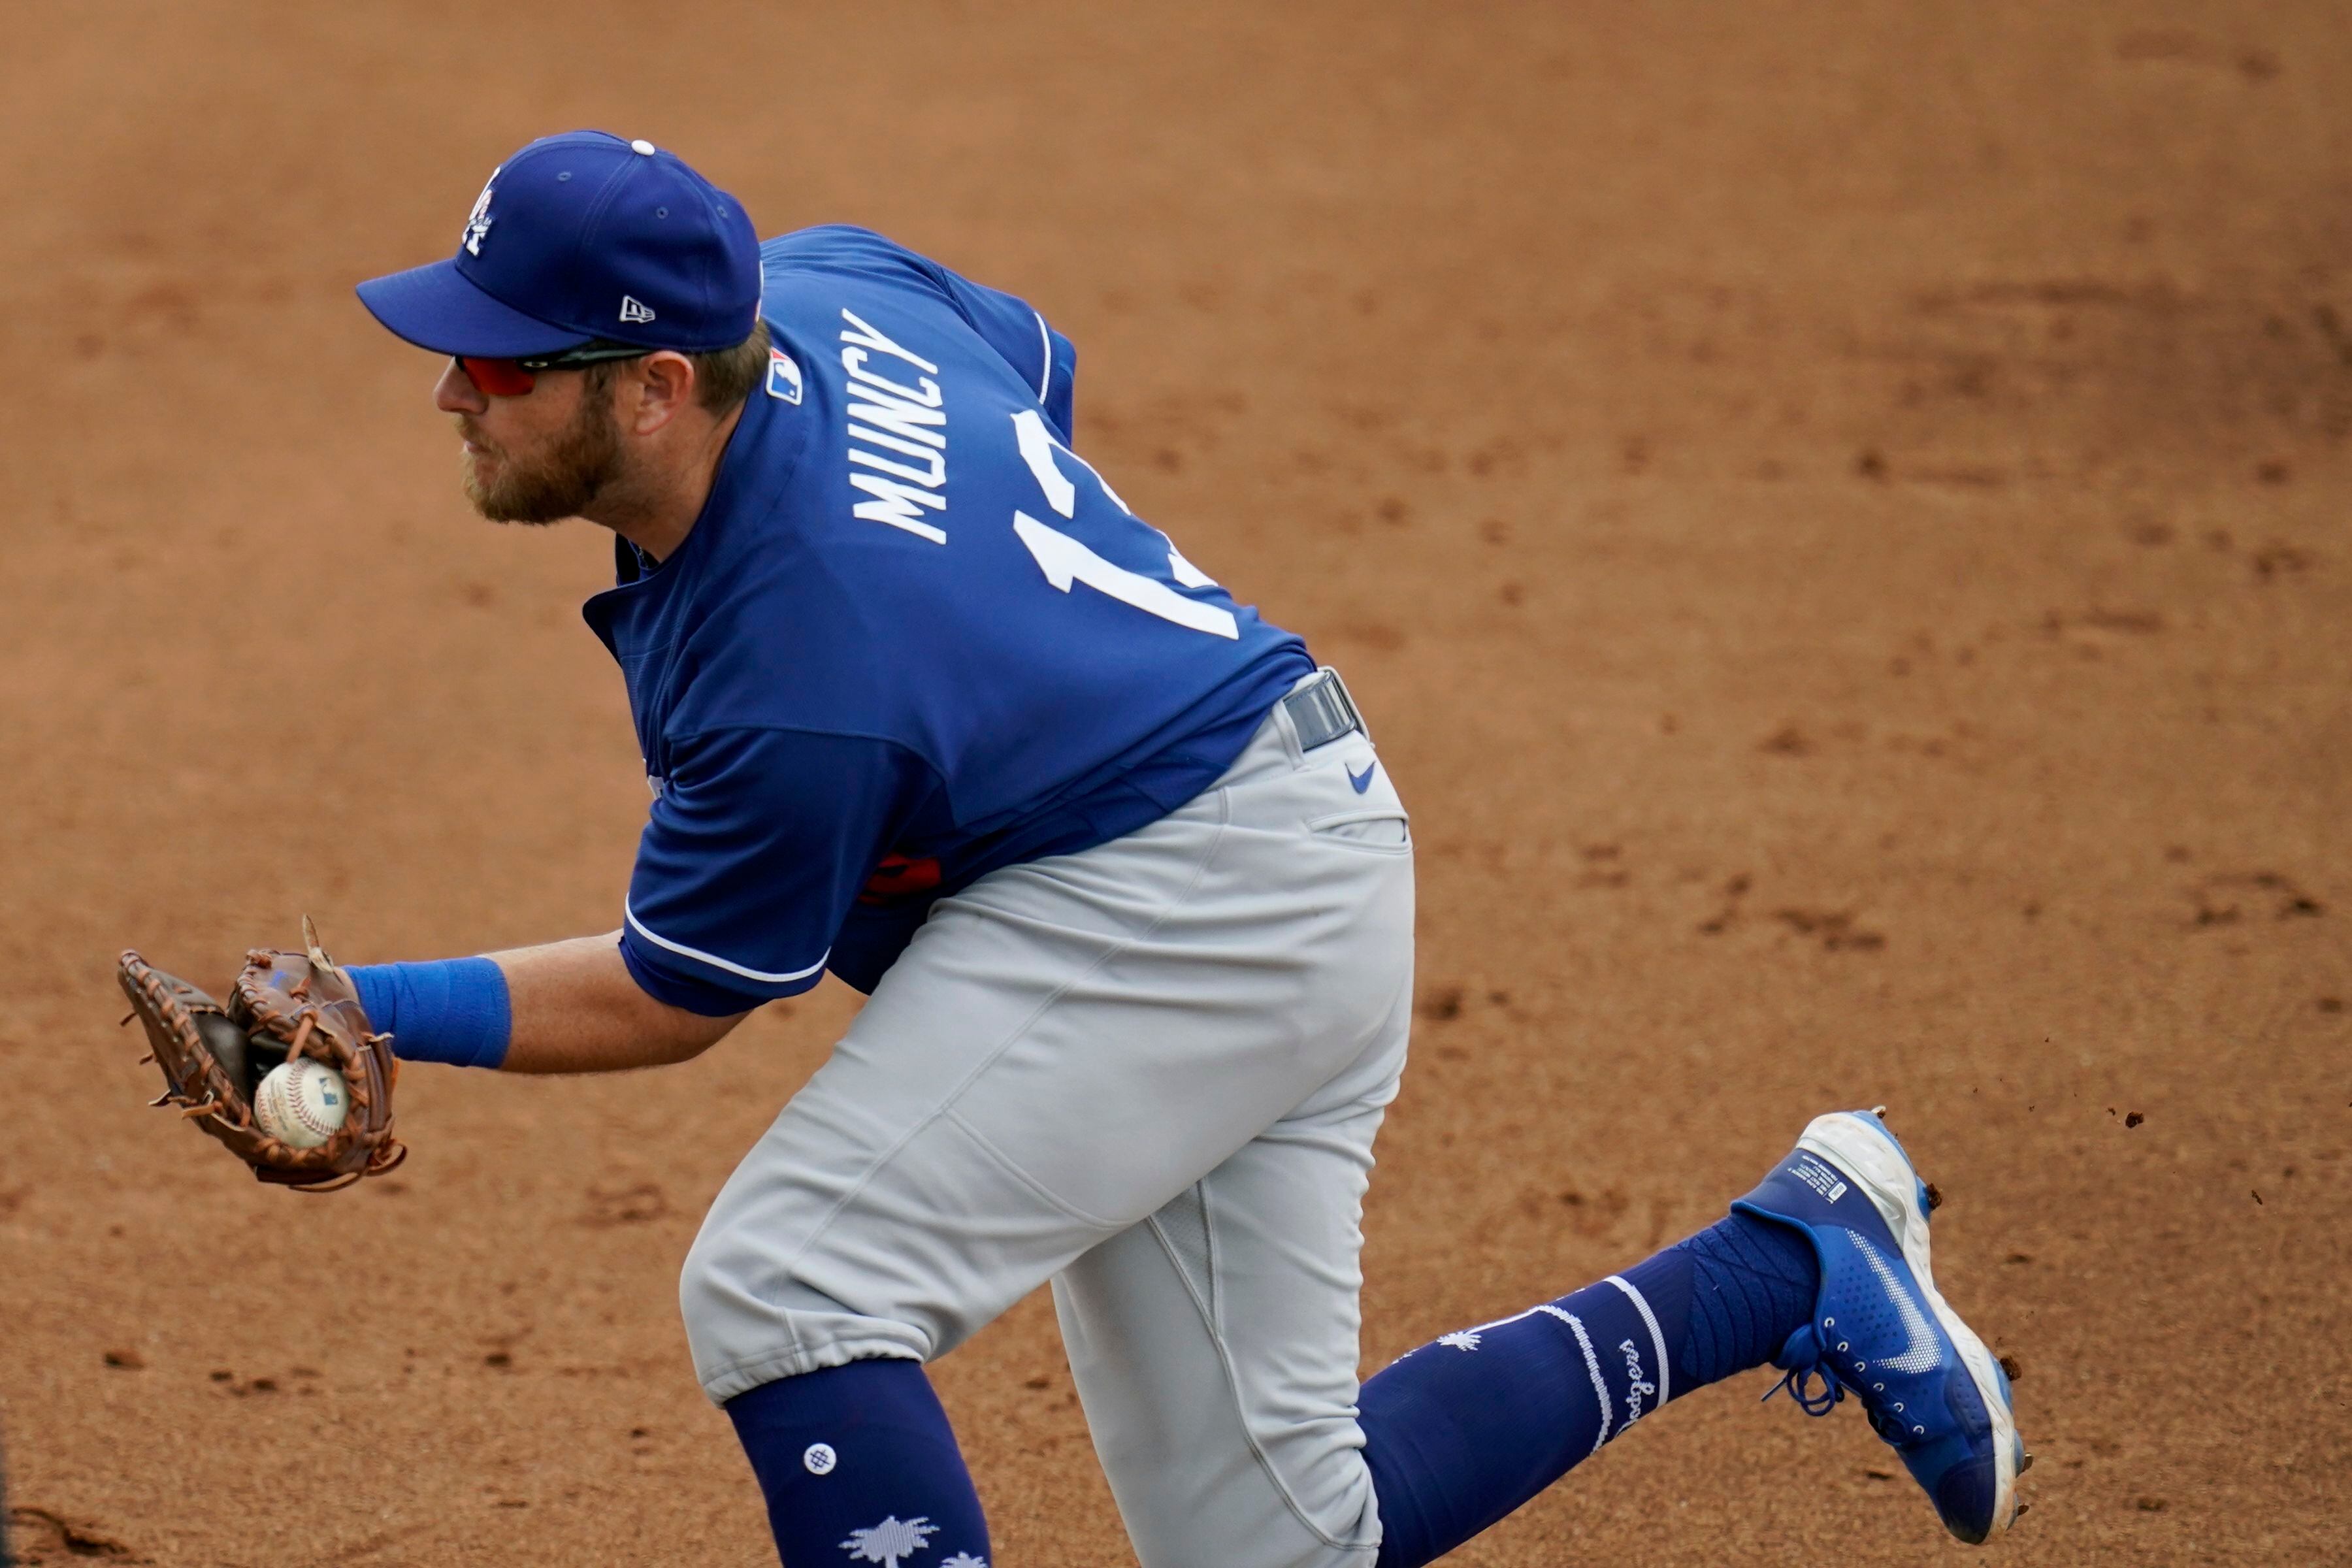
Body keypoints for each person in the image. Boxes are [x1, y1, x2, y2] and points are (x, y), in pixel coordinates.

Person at [348, 130, 2026, 1566]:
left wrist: (378, 1009)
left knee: (793, 1289)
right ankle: (1787, 1260)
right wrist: (1008, 659)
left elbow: (676, 994)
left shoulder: (805, 678)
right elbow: (1032, 366)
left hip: (1181, 892)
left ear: (653, 389)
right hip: (1259, 828)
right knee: (1280, 1546)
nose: (451, 390)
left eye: (503, 366)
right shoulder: (832, 286)